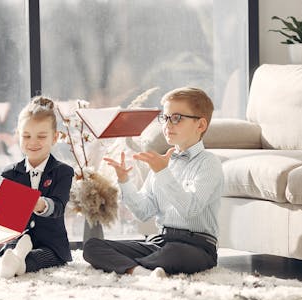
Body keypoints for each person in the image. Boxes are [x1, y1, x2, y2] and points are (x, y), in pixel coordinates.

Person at [83, 87, 223, 277]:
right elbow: (143, 212)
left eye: (176, 118)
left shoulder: (209, 163)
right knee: (92, 247)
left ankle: (131, 267)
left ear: (200, 125)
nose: (167, 125)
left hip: (197, 246)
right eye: (165, 118)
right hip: (161, 242)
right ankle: (142, 271)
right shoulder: (163, 163)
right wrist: (124, 181)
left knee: (173, 254)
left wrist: (162, 172)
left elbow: (190, 209)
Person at [0, 96, 74, 279]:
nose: (33, 142)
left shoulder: (63, 172)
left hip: (50, 244)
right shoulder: (10, 173)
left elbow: (59, 207)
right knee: (9, 252)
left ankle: (18, 263)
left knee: (36, 259)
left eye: (41, 136)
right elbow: (6, 220)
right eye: (26, 136)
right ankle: (13, 260)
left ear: (55, 138)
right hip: (16, 239)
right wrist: (1, 214)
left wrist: (40, 204)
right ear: (18, 136)